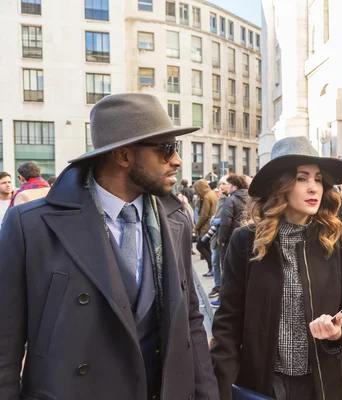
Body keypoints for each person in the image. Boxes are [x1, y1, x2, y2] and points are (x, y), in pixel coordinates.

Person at [0, 93, 218, 399]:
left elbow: (190, 323)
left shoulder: (176, 220)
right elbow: (5, 345)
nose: (177, 160)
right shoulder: (31, 226)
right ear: (124, 156)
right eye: (167, 149)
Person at [211, 136, 342, 400]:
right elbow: (228, 323)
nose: (314, 188)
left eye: (318, 179)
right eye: (302, 178)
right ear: (279, 185)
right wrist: (221, 388)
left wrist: (339, 332)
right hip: (262, 385)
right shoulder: (246, 241)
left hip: (322, 386)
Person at [217, 173, 248, 270]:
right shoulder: (251, 198)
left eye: (228, 184)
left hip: (232, 238)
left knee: (229, 268)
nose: (227, 186)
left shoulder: (230, 200)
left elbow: (225, 222)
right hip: (248, 237)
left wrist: (222, 239)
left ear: (234, 186)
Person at [205, 177, 229, 300]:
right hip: (217, 233)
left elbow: (228, 218)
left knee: (219, 262)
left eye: (224, 184)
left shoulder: (228, 199)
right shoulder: (221, 197)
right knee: (216, 261)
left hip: (222, 234)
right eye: (220, 184)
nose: (221, 186)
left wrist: (214, 220)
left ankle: (220, 288)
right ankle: (218, 286)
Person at [194, 179, 217, 277]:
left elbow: (204, 215)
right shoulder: (212, 193)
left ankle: (212, 267)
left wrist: (196, 227)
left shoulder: (207, 197)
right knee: (206, 247)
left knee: (200, 246)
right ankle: (211, 269)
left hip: (206, 226)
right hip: (211, 225)